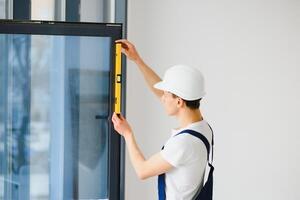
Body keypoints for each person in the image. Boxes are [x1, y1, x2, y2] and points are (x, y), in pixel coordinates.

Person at [111, 39, 213, 200]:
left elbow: (142, 170)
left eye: (166, 95)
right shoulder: (202, 128)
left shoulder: (184, 144)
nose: (162, 98)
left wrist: (127, 134)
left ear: (179, 101)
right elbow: (163, 92)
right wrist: (137, 60)